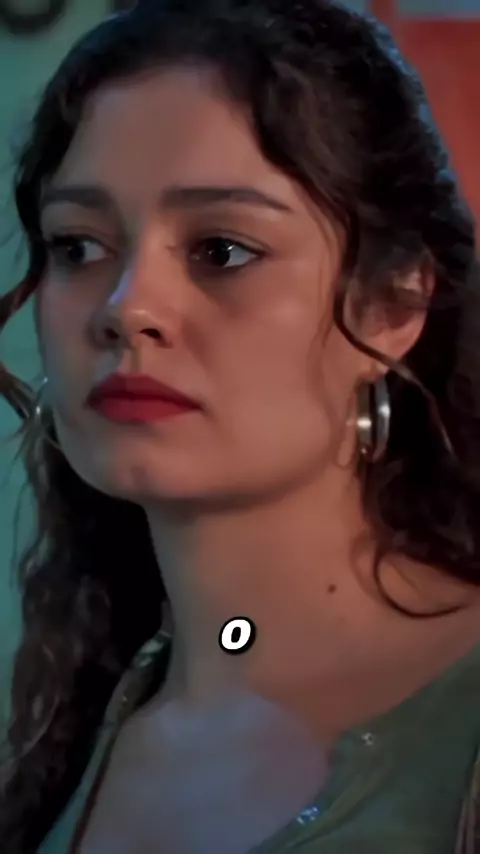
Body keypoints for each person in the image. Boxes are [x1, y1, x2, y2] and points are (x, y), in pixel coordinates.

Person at [1, 0, 480, 851]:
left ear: (393, 304)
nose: (128, 307)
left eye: (222, 249)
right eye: (78, 245)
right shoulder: (71, 728)